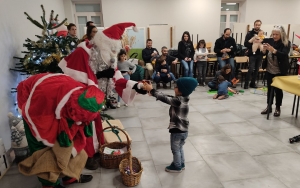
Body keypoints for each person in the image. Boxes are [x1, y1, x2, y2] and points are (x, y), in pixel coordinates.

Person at [17, 73, 105, 188]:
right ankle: (49, 184)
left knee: (69, 140)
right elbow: (34, 117)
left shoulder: (84, 97)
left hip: (58, 100)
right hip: (33, 105)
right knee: (42, 149)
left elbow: (80, 123)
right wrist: (51, 140)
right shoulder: (44, 96)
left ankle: (69, 176)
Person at [143, 77, 198, 173]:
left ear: (181, 91)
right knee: (179, 147)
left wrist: (152, 90)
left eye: (176, 87)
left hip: (177, 130)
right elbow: (168, 96)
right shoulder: (184, 98)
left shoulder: (178, 101)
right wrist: (152, 92)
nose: (174, 88)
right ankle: (181, 163)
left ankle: (177, 166)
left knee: (175, 149)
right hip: (184, 130)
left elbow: (165, 99)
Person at [260, 25, 291, 117]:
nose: (274, 36)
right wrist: (264, 50)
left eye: (276, 34)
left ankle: (278, 107)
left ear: (282, 34)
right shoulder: (270, 41)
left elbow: (284, 55)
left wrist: (273, 50)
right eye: (273, 34)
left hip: (280, 70)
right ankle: (268, 106)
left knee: (278, 90)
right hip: (270, 69)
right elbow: (264, 53)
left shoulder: (286, 43)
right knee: (270, 89)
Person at [244, 20, 264, 89]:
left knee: (257, 69)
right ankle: (246, 84)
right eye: (256, 25)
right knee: (251, 69)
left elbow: (264, 41)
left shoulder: (262, 33)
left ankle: (253, 83)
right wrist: (253, 43)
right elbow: (246, 43)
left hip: (260, 53)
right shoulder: (249, 33)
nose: (257, 26)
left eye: (259, 25)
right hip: (252, 53)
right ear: (254, 25)